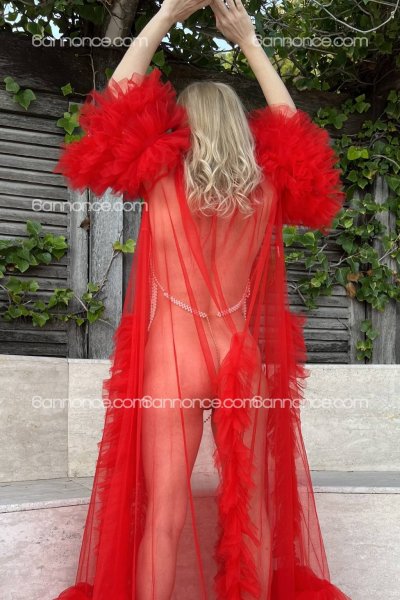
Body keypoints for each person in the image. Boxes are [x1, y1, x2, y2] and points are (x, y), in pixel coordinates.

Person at [53, 0, 351, 598]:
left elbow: (114, 105)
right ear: (241, 128)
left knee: (163, 518)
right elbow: (297, 135)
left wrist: (164, 16)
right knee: (254, 513)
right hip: (239, 357)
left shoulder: (161, 180)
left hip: (173, 360)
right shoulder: (267, 188)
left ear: (183, 128)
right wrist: (249, 41)